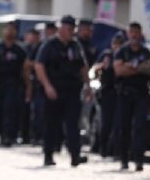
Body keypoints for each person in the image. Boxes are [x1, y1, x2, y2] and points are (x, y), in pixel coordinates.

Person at [34, 15, 89, 167]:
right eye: (70, 29)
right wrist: (47, 86)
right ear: (62, 29)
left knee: (73, 124)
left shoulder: (75, 45)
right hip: (54, 90)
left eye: (74, 29)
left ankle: (75, 155)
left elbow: (83, 67)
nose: (73, 32)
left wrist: (88, 86)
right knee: (51, 124)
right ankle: (48, 155)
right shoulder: (49, 45)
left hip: (72, 90)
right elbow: (39, 66)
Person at [112, 22, 150, 171]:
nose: (134, 35)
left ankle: (138, 160)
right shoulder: (122, 51)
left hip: (141, 93)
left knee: (139, 127)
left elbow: (148, 69)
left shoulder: (145, 52)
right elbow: (119, 71)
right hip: (125, 93)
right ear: (128, 34)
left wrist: (131, 67)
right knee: (124, 127)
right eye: (131, 32)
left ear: (140, 33)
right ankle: (124, 159)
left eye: (136, 32)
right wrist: (139, 68)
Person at [0, 22, 28, 147]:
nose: (10, 32)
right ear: (4, 31)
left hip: (14, 84)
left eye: (12, 30)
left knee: (11, 109)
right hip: (0, 83)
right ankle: (2, 135)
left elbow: (25, 69)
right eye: (8, 29)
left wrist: (27, 86)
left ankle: (10, 136)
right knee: (1, 110)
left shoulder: (20, 49)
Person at [95, 32, 126, 158]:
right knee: (106, 123)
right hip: (107, 92)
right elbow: (95, 69)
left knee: (118, 123)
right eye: (115, 44)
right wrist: (102, 67)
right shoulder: (106, 55)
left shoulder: (124, 56)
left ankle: (116, 150)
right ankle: (103, 149)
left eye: (119, 44)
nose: (116, 47)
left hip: (120, 92)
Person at [23, 28, 44, 145]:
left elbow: (35, 64)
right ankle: (31, 135)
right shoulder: (28, 47)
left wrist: (31, 64)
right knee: (30, 111)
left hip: (38, 83)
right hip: (29, 82)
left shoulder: (41, 47)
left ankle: (38, 136)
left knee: (39, 111)